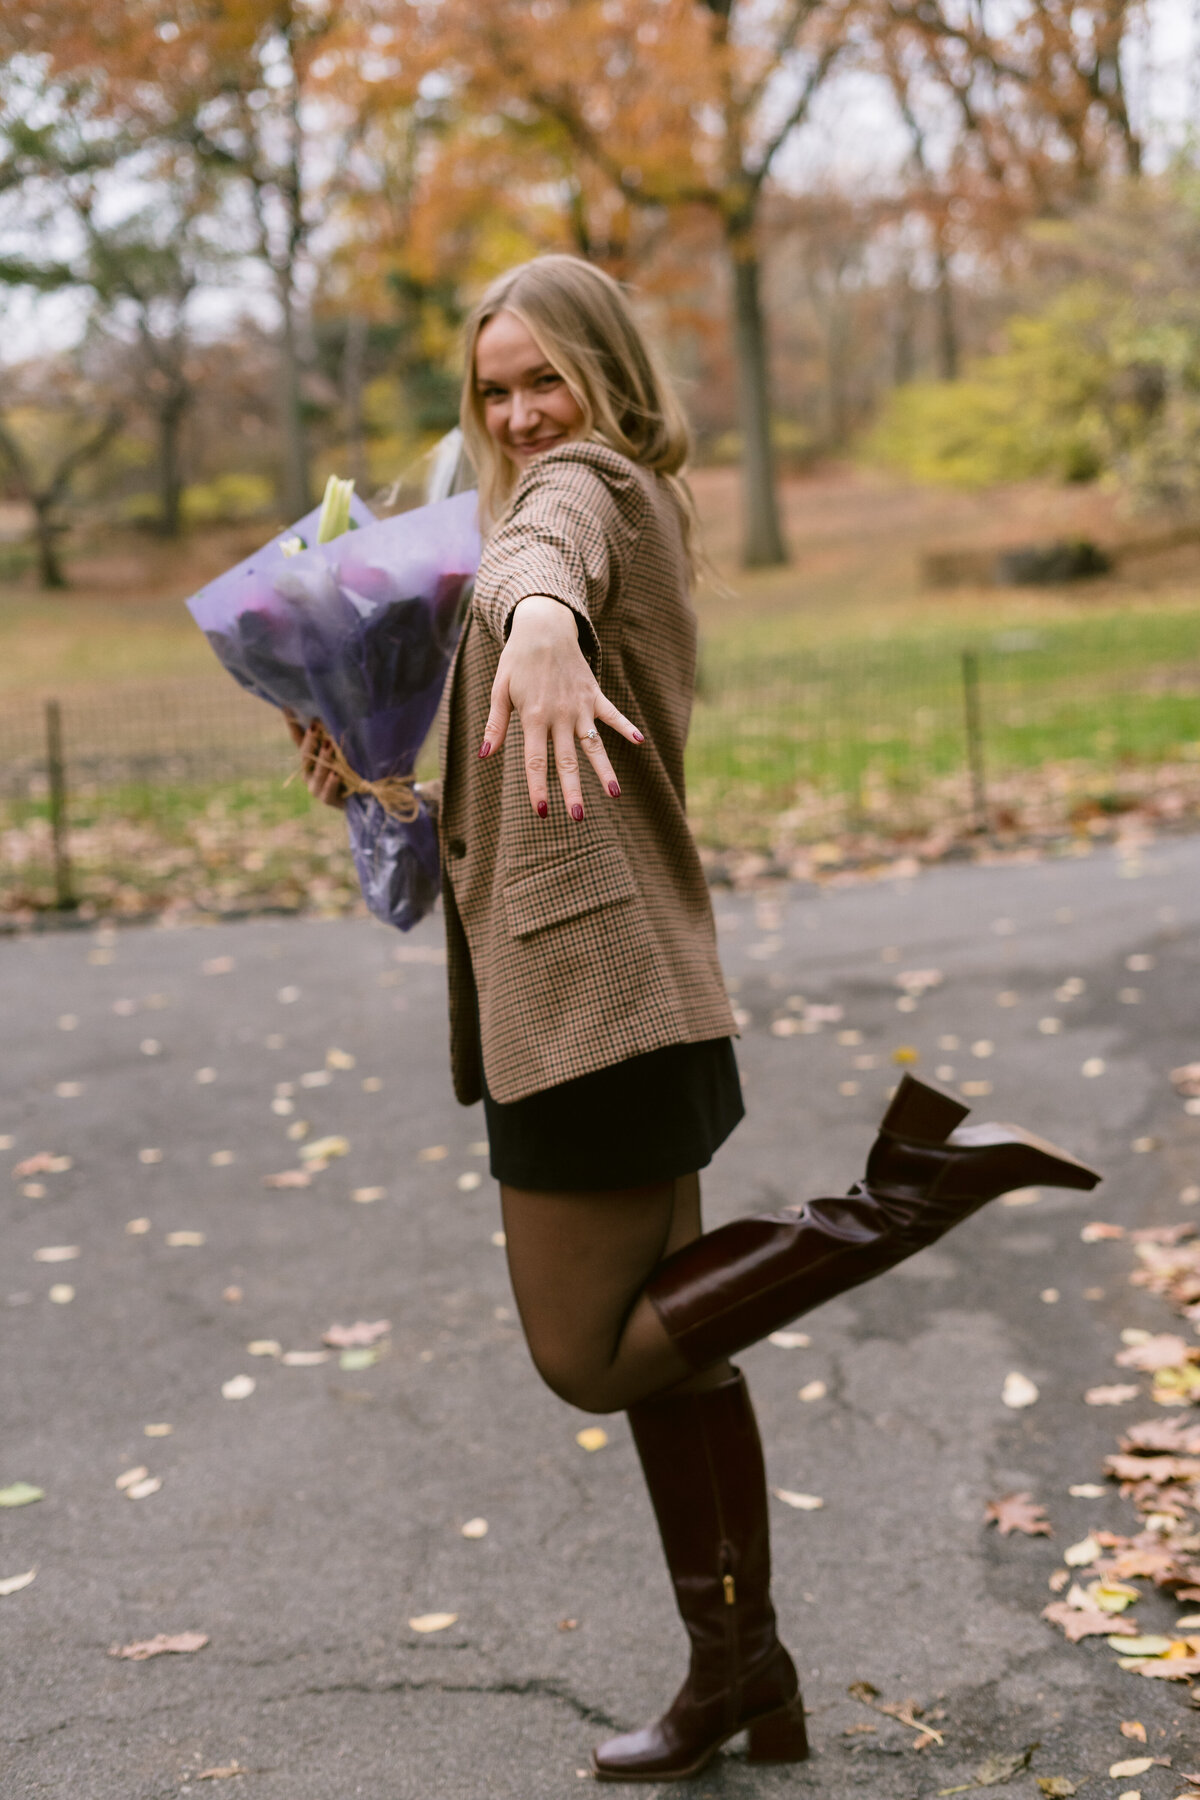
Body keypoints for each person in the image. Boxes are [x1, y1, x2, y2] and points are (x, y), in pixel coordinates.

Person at [288, 253, 1100, 1784]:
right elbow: (490, 757)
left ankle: (914, 1188)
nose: (525, 413)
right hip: (628, 980)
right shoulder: (577, 501)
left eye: (548, 376)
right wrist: (379, 770)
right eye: (498, 388)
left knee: (587, 1358)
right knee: (678, 1354)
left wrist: (530, 624)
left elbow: (551, 554)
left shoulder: (580, 492)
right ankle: (746, 1677)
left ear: (603, 374)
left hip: (589, 1002)